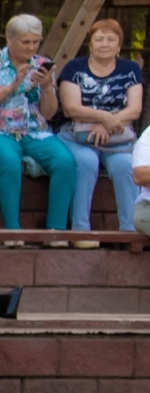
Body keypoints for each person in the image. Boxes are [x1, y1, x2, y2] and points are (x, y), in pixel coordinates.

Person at [0, 13, 74, 233]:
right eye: (25, 42)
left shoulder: (42, 64)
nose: (31, 47)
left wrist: (46, 88)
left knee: (65, 161)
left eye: (36, 42)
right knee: (9, 160)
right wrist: (9, 88)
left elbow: (49, 113)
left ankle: (56, 230)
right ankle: (12, 231)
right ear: (9, 39)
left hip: (35, 131)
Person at [55, 15, 142, 234]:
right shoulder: (74, 68)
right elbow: (71, 108)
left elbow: (134, 109)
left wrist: (107, 125)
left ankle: (130, 231)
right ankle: (81, 230)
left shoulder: (130, 69)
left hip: (116, 138)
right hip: (79, 136)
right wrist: (104, 117)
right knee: (86, 162)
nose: (105, 44)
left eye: (111, 39)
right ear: (90, 44)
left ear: (119, 45)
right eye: (99, 39)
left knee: (126, 166)